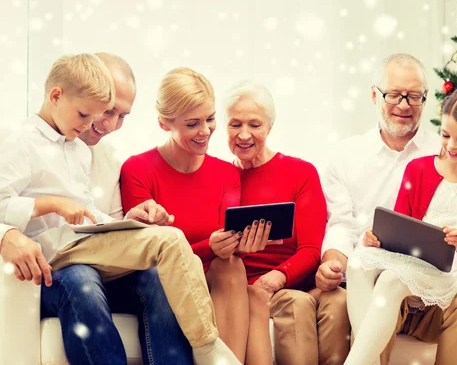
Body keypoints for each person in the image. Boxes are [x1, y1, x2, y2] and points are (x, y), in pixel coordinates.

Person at [0, 54, 240, 365]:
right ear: (56, 96)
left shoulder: (78, 149)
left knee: (159, 261)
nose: (98, 126)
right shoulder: (19, 142)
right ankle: (207, 347)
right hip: (53, 253)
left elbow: (87, 211)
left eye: (119, 115)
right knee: (166, 241)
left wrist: (127, 222)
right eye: (88, 114)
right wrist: (51, 205)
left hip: (82, 243)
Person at [317, 53, 457, 365]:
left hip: (440, 279)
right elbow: (341, 224)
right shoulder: (347, 155)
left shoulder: (450, 152)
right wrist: (338, 258)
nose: (403, 105)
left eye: (414, 97)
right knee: (365, 268)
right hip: (381, 273)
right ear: (374, 95)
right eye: (393, 95)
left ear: (425, 98)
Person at [120, 67, 278, 365]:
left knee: (230, 265)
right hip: (166, 278)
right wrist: (209, 247)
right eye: (192, 123)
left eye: (210, 119)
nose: (205, 131)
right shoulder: (137, 169)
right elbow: (147, 255)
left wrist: (239, 244)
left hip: (214, 276)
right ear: (164, 123)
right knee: (224, 265)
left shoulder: (226, 173)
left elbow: (225, 241)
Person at [223, 81, 347, 365]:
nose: (244, 135)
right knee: (296, 302)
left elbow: (311, 249)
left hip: (293, 281)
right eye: (234, 124)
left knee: (338, 300)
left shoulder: (300, 173)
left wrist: (277, 278)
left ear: (269, 127)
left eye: (254, 124)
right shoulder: (219, 176)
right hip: (247, 289)